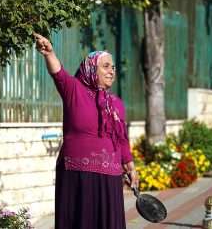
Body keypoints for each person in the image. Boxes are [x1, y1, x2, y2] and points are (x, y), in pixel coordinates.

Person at [34, 33, 139, 229]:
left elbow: (122, 139)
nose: (111, 71)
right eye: (106, 66)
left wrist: (131, 167)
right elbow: (58, 73)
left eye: (113, 67)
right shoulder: (74, 89)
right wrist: (49, 53)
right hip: (78, 175)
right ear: (91, 68)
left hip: (110, 176)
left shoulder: (116, 104)